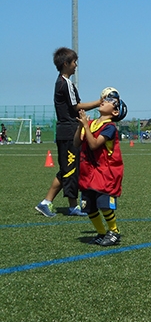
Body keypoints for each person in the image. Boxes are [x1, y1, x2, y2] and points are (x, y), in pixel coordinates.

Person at [35, 47, 101, 218]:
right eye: (74, 62)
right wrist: (99, 103)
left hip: (69, 131)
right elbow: (76, 106)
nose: (76, 65)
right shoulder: (65, 84)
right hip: (68, 132)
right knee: (69, 170)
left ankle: (55, 204)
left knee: (69, 169)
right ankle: (52, 203)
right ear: (66, 64)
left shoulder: (62, 82)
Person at [74, 90, 127, 246]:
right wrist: (80, 126)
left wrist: (85, 125)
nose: (104, 101)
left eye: (110, 101)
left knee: (103, 205)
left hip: (105, 173)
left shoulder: (109, 127)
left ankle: (114, 232)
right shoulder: (90, 124)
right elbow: (76, 143)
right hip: (88, 172)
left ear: (115, 111)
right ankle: (101, 233)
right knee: (88, 206)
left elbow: (94, 144)